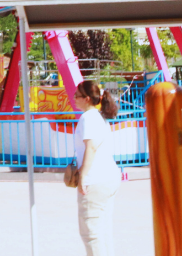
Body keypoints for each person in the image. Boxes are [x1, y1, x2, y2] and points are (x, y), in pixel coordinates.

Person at [72, 79, 121, 256]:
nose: (73, 98)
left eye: (76, 96)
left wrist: (83, 177)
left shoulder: (88, 117)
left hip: (95, 181)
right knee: (103, 230)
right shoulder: (100, 117)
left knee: (91, 233)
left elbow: (90, 147)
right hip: (109, 178)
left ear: (86, 99)